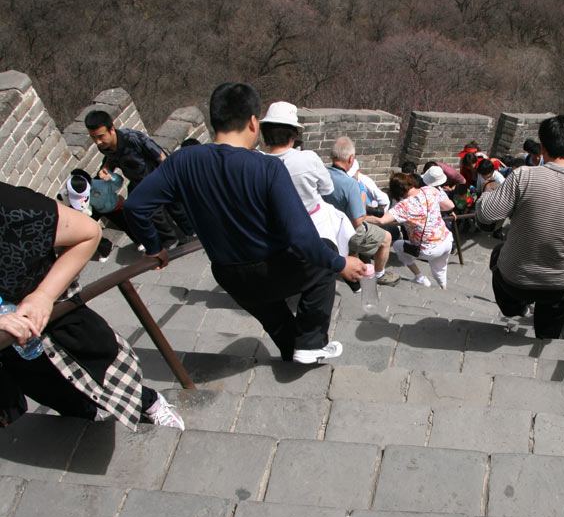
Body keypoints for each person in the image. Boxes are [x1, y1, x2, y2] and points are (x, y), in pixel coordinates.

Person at [124, 82, 364, 365]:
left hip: (228, 275)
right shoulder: (266, 167)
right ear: (253, 122)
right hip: (273, 268)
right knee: (325, 254)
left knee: (274, 317)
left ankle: (294, 352)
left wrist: (155, 247)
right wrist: (341, 263)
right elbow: (301, 237)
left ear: (214, 120)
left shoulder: (183, 160)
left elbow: (135, 206)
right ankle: (311, 343)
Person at [0, 181, 183, 430]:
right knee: (59, 396)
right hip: (15, 353)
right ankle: (91, 422)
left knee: (111, 378)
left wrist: (43, 295)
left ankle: (150, 403)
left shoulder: (10, 205)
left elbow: (88, 232)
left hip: (61, 323)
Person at [475, 114, 564, 339]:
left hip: (514, 280)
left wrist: (487, 194)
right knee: (554, 306)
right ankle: (546, 335)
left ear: (542, 147)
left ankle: (514, 308)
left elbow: (486, 216)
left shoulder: (523, 176)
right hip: (557, 285)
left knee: (498, 253)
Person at [84, 110, 193, 249]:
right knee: (149, 211)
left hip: (158, 176)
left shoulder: (132, 138)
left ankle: (192, 234)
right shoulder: (104, 147)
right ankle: (173, 240)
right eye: (93, 137)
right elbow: (111, 158)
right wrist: (106, 168)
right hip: (139, 183)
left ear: (111, 129)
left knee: (175, 208)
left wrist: (172, 179)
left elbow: (160, 156)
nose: (98, 142)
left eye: (100, 136)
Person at [259, 101, 355, 258]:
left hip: (273, 227)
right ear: (293, 134)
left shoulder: (257, 163)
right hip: (313, 224)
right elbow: (327, 189)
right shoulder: (308, 158)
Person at [324, 137, 400, 286]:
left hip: (326, 224)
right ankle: (380, 274)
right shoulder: (350, 183)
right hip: (345, 228)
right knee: (386, 238)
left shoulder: (323, 173)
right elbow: (358, 220)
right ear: (351, 159)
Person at [363, 173, 455, 289]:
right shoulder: (430, 190)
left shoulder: (404, 206)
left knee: (397, 245)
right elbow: (449, 206)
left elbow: (382, 221)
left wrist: (361, 218)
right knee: (440, 268)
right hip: (447, 241)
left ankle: (420, 277)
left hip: (428, 249)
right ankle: (443, 288)